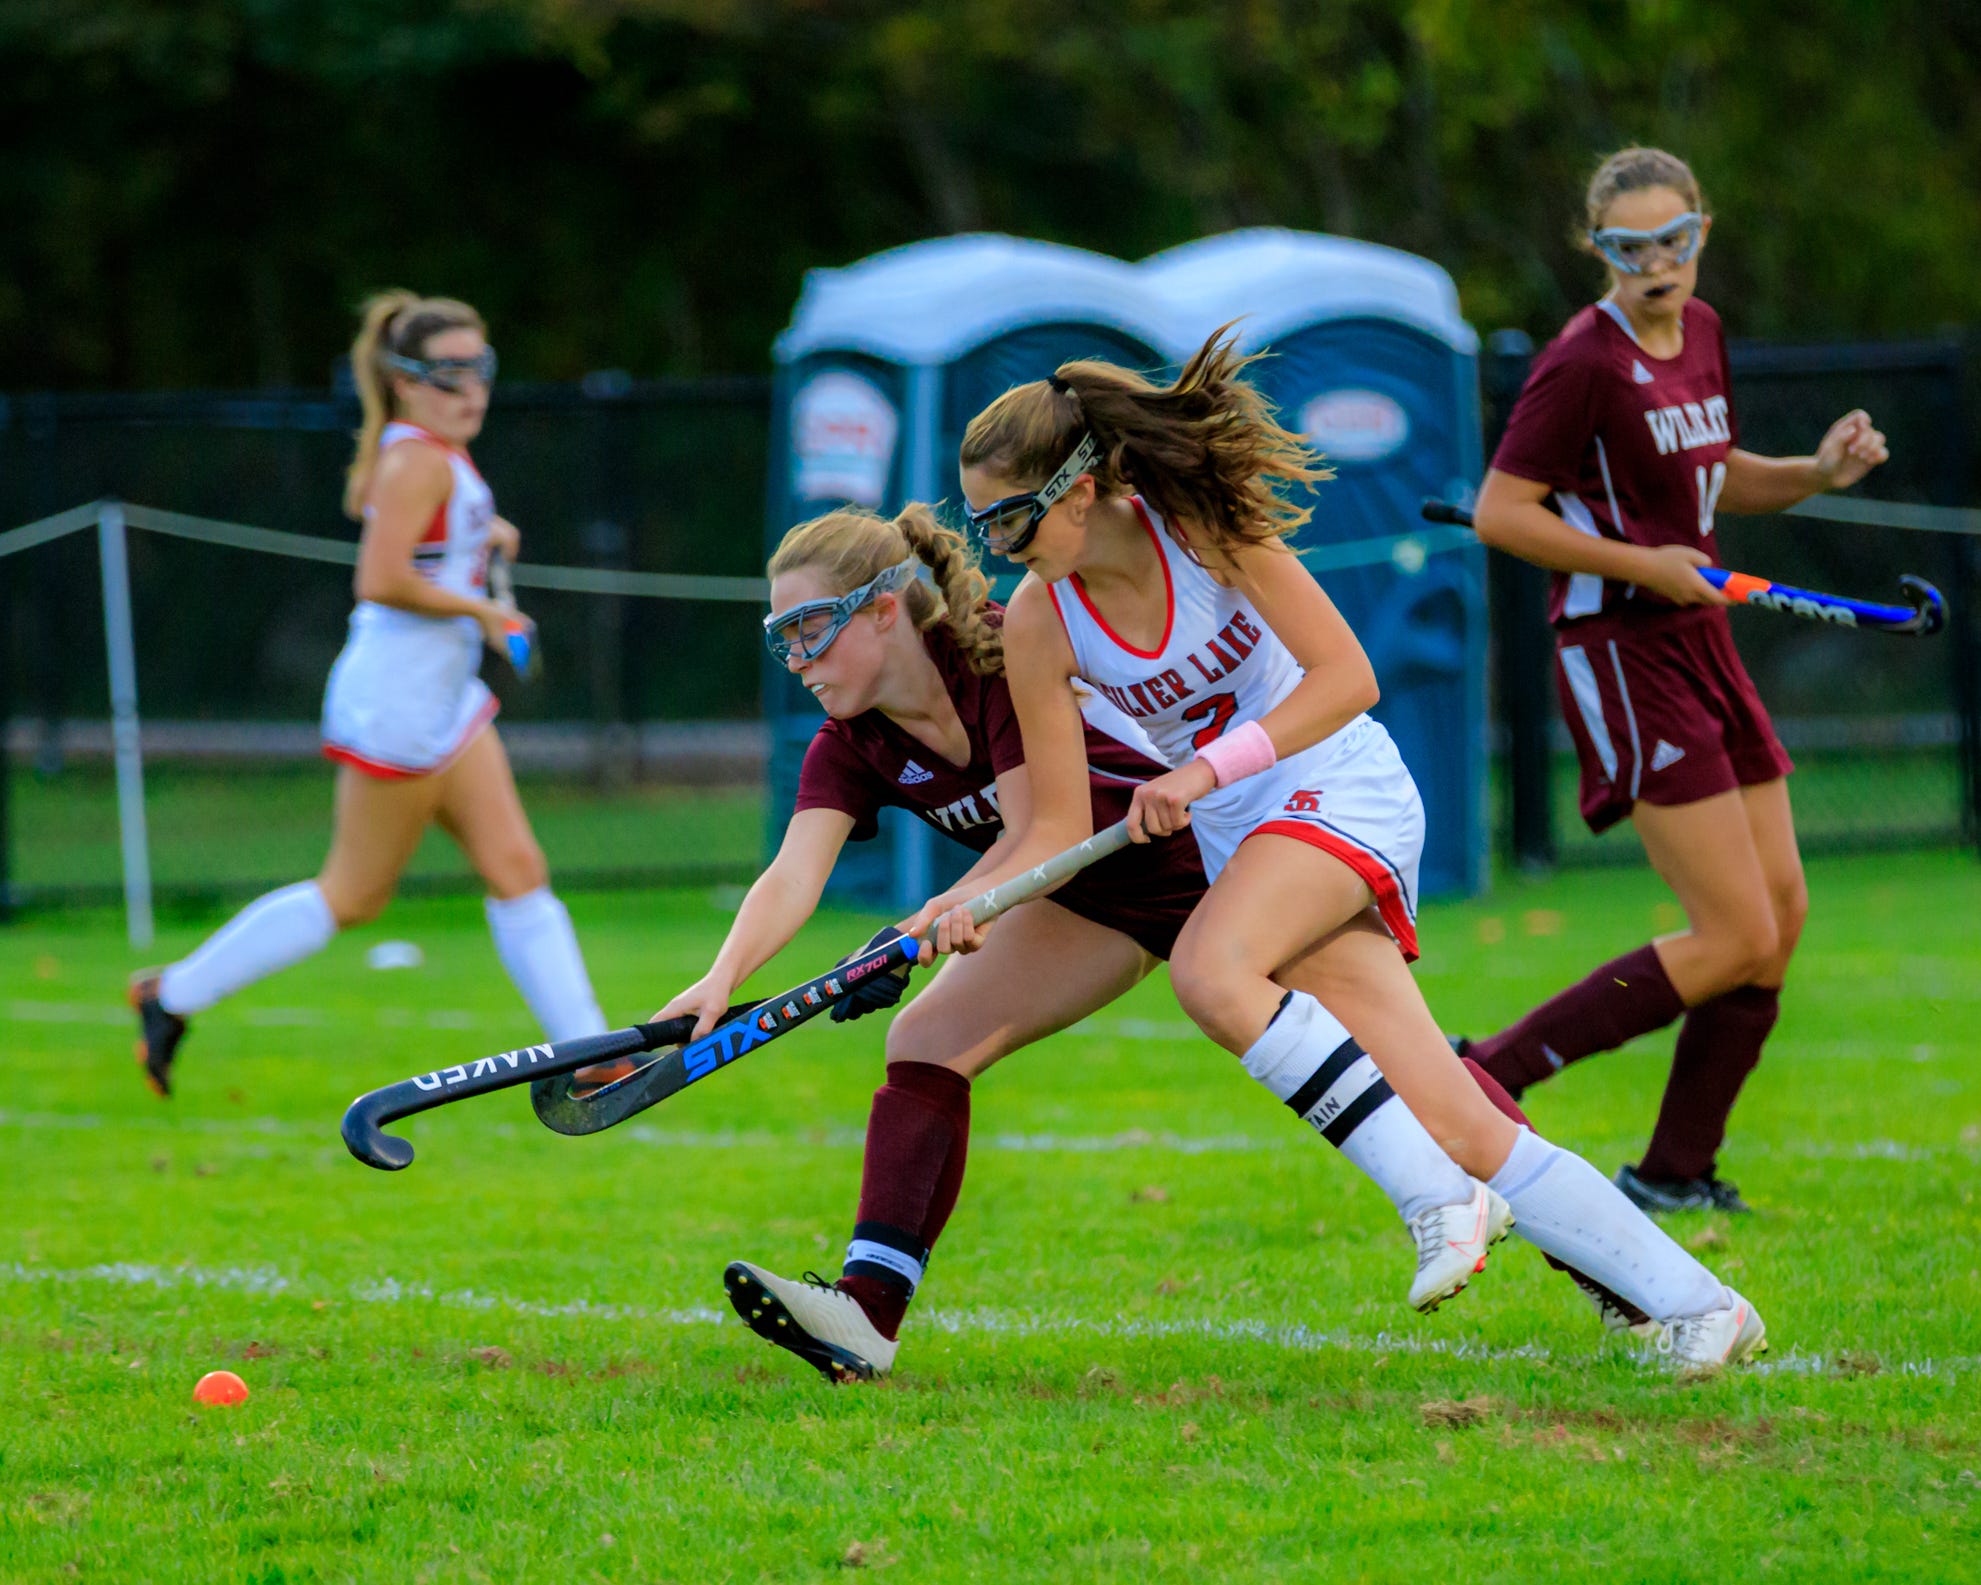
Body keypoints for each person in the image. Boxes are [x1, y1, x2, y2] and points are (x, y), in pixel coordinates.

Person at [930, 328, 1766, 1372]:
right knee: (1453, 1110)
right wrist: (956, 909)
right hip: (1254, 834)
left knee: (1209, 968)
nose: (999, 541)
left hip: (1337, 784)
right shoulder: (1038, 622)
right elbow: (1049, 828)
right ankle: (1698, 1302)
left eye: (1011, 514)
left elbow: (1347, 678)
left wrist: (1196, 772)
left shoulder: (1205, 535)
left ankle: (1434, 1199)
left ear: (1083, 486)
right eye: (982, 521)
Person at [667, 504, 1612, 1383]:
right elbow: (792, 874)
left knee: (1425, 1086)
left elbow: (1034, 824)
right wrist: (718, 980)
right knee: (924, 1041)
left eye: (809, 627)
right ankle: (866, 1316)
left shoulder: (994, 650)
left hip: (1217, 861)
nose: (794, 655)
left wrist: (942, 911)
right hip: (1092, 900)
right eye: (779, 635)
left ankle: (1617, 1273)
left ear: (880, 611)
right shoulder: (851, 742)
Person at [1451, 147, 1888, 1213]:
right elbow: (1502, 512)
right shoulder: (1579, 362)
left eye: (1673, 240)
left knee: (1777, 919)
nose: (1655, 264)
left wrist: (1815, 476)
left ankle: (1674, 1170)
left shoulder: (1700, 334)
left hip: (1700, 641)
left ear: (1702, 231)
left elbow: (1714, 469)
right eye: (1629, 247)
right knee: (1731, 930)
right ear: (1597, 250)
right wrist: (1644, 562)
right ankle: (1481, 1072)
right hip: (1620, 647)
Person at [128, 291, 606, 1095]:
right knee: (351, 896)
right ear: (406, 381)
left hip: (443, 698)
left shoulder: (427, 450)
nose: (471, 389)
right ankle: (169, 994)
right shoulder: (417, 455)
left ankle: (592, 1053)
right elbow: (380, 578)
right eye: (449, 373)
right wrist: (484, 606)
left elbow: (404, 533)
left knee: (518, 867)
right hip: (398, 704)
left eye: (479, 369)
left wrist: (478, 540)